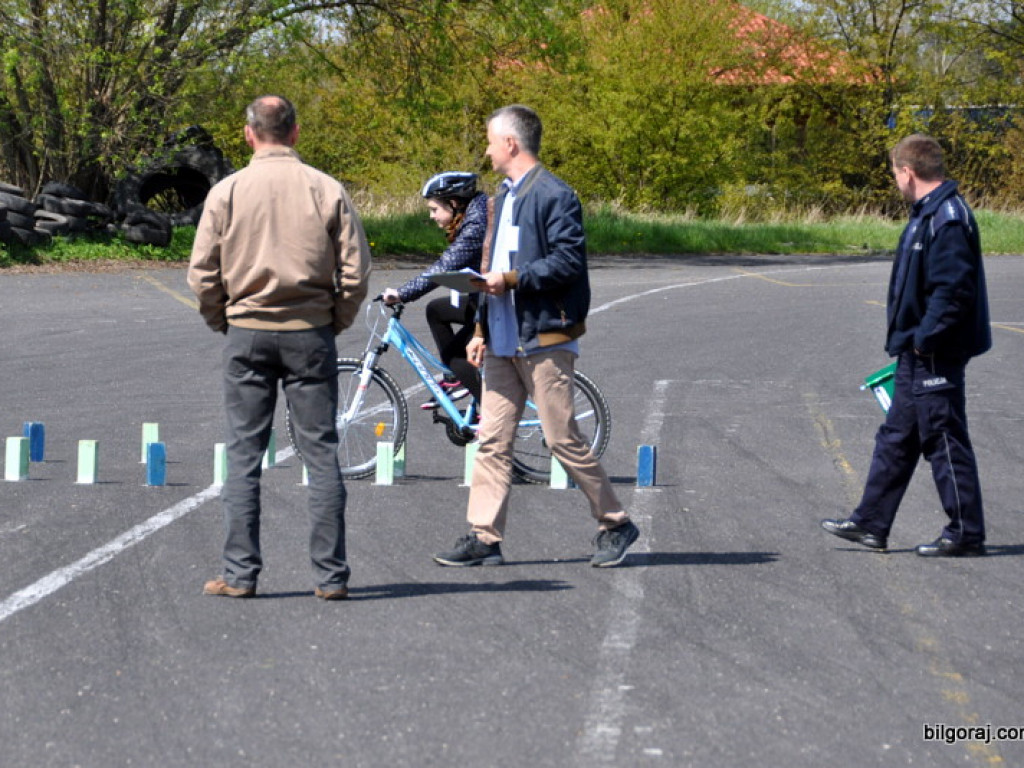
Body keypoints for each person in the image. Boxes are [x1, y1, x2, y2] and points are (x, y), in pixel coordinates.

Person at [433, 104, 639, 569]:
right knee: (492, 440)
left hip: (543, 338)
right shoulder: (499, 200)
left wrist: (510, 279)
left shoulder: (555, 195)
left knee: (561, 437)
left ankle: (616, 522)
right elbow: (488, 266)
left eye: (490, 141)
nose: (486, 151)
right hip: (503, 342)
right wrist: (481, 326)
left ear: (511, 144)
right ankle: (484, 538)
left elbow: (568, 262)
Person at [187, 95, 371, 598]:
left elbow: (202, 273)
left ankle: (240, 574)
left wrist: (222, 318)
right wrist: (333, 321)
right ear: (294, 132)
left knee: (245, 454)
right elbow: (355, 274)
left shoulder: (226, 191)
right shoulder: (326, 188)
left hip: (246, 330)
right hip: (309, 332)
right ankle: (331, 577)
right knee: (321, 453)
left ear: (249, 134)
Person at [821, 133, 991, 557]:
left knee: (944, 441)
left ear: (908, 172)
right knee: (896, 438)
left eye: (895, 174)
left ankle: (966, 533)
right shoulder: (927, 213)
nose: (896, 181)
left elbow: (953, 291)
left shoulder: (947, 218)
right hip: (915, 352)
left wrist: (923, 341)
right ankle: (871, 523)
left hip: (935, 352)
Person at [381, 172, 487, 407]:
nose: (431, 216)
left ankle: (493, 419)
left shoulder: (477, 224)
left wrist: (402, 293)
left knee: (458, 359)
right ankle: (456, 380)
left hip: (499, 307)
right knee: (437, 310)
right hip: (483, 300)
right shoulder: (473, 215)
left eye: (434, 209)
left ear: (454, 203)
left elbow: (445, 266)